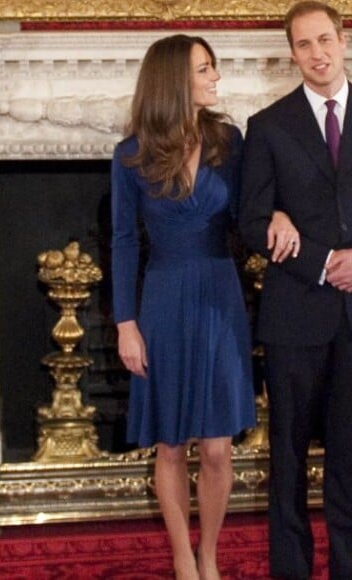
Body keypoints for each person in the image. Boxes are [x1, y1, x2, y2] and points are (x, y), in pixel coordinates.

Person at [239, 2, 352, 578]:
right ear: (291, 53)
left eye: (325, 40)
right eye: (303, 45)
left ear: (344, 41)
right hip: (296, 312)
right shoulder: (267, 126)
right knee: (288, 459)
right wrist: (321, 263)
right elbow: (249, 221)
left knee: (349, 457)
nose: (316, 54)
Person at [111, 34, 296, 580]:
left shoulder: (228, 141)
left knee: (217, 448)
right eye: (204, 68)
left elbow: (252, 210)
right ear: (174, 79)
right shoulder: (130, 155)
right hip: (162, 300)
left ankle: (210, 553)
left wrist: (279, 216)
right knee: (170, 445)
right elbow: (123, 241)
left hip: (220, 295)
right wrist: (126, 323)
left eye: (213, 67)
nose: (215, 77)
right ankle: (182, 558)